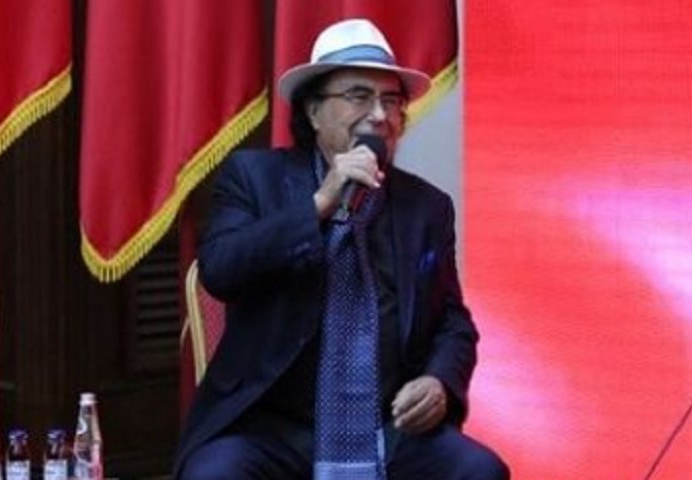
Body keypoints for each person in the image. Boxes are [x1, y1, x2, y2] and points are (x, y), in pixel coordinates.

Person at [175, 18, 510, 480]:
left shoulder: (426, 207)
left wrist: (439, 382)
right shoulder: (254, 178)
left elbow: (452, 321)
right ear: (314, 112)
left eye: (391, 101)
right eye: (359, 96)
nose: (380, 115)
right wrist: (319, 204)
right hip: (271, 428)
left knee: (481, 471)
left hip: (388, 428)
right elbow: (220, 269)